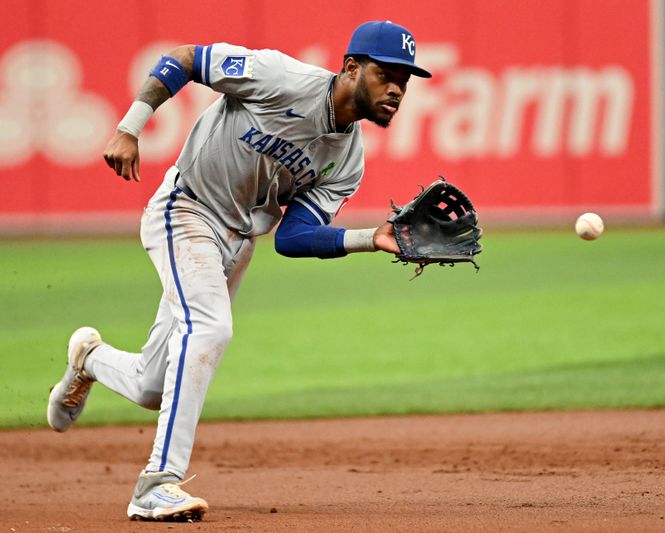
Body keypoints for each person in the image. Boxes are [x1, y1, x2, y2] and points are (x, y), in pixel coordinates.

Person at [46, 20, 431, 522]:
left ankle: (89, 359)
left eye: (406, 79)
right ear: (352, 67)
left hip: (237, 243)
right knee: (209, 328)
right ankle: (156, 483)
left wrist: (369, 239)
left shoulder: (349, 159)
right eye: (388, 73)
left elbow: (292, 239)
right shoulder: (281, 77)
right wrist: (130, 126)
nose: (398, 89)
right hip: (186, 209)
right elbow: (188, 58)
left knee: (152, 387)